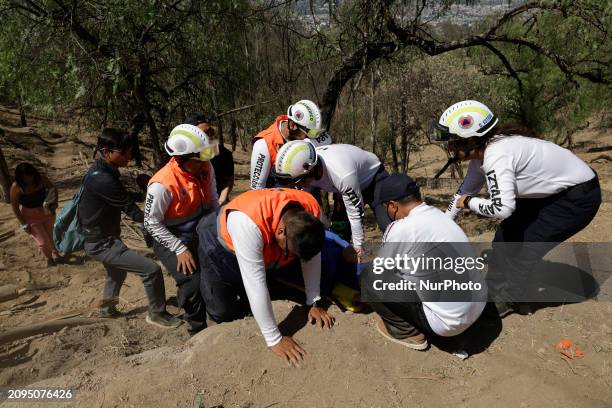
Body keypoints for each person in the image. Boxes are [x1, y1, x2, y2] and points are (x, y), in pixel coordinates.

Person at [434, 100, 601, 317]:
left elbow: (501, 209)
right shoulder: (483, 153)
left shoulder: (496, 155)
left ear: (472, 140)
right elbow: (466, 189)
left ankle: (510, 300)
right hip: (551, 193)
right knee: (506, 236)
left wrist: (468, 203)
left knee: (525, 249)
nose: (450, 148)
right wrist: (444, 223)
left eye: (453, 143)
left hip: (576, 197)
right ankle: (493, 289)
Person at [197, 188, 335, 366]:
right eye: (290, 252)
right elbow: (255, 284)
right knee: (222, 309)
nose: (292, 257)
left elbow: (312, 258)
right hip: (220, 244)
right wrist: (274, 339)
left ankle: (253, 308)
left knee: (275, 285)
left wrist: (313, 301)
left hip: (264, 242)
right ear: (280, 232)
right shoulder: (248, 223)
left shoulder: (312, 213)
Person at [365, 173, 487, 350]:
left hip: (450, 323)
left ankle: (407, 332)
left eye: (386, 208)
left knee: (370, 277)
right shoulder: (440, 216)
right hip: (479, 305)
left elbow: (382, 269)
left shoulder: (401, 228)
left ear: (392, 206)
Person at [78, 128, 181, 327]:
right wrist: (157, 222)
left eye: (129, 151)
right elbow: (130, 208)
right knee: (151, 270)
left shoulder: (103, 171)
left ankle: (107, 309)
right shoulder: (102, 179)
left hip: (102, 237)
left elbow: (122, 197)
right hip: (100, 242)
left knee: (117, 272)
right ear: (107, 152)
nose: (129, 156)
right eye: (124, 152)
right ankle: (156, 314)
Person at [144, 124, 219, 335]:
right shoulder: (162, 184)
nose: (206, 161)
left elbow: (213, 201)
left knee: (214, 271)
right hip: (169, 237)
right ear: (184, 159)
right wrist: (179, 248)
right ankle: (196, 330)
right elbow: (151, 223)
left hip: (199, 231)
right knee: (192, 283)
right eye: (200, 158)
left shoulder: (206, 168)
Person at [273, 141, 391, 261]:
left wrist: (358, 247)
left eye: (298, 182)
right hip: (343, 189)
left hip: (373, 180)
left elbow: (356, 213)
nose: (297, 186)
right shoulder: (308, 169)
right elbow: (304, 199)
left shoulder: (341, 173)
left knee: (389, 227)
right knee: (339, 234)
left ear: (310, 169)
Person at [250, 99, 328, 189]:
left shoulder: (303, 134)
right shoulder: (263, 145)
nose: (309, 138)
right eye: (308, 134)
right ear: (292, 125)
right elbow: (257, 188)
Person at [10, 163, 61, 266]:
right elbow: (15, 208)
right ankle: (49, 258)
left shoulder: (41, 179)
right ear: (20, 177)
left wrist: (54, 203)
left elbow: (53, 189)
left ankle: (54, 251)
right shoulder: (16, 187)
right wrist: (24, 224)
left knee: (49, 235)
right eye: (26, 178)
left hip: (46, 213)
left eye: (31, 176)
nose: (29, 180)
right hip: (30, 217)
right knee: (42, 242)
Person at [185, 113, 234, 206]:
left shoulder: (224, 154)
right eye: (205, 133)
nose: (211, 135)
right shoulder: (184, 156)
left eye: (211, 131)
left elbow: (228, 180)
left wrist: (221, 200)